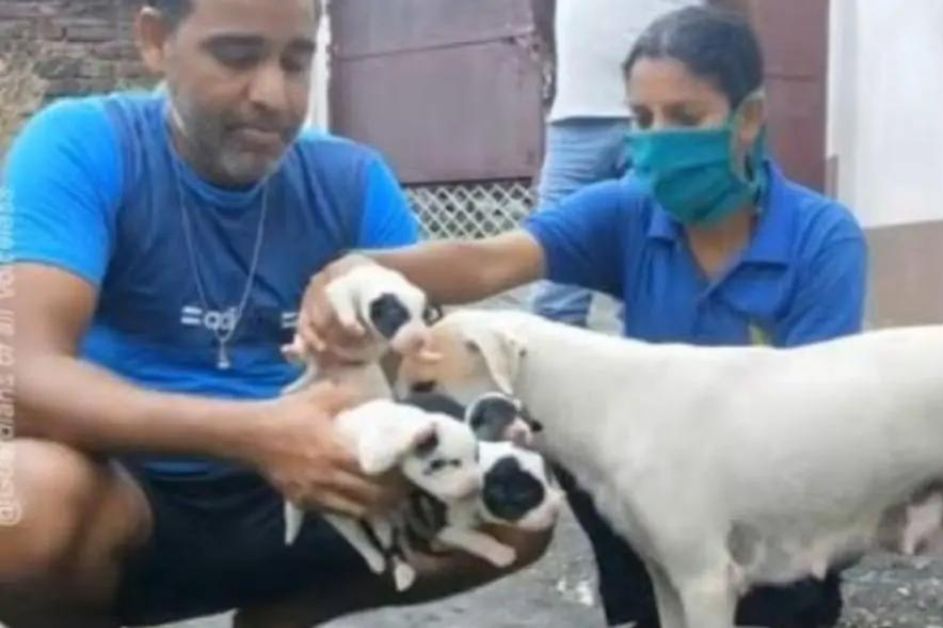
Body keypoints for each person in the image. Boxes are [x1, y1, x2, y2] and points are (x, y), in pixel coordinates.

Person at [298, 7, 868, 627]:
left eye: (685, 117)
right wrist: (353, 268)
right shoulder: (628, 211)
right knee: (585, 446)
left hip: (774, 491)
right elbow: (488, 262)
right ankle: (636, 607)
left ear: (748, 118)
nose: (657, 140)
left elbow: (817, 422)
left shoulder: (820, 239)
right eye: (642, 119)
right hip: (660, 485)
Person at [0, 1, 548, 626]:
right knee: (18, 501)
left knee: (518, 505)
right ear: (155, 41)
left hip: (318, 492)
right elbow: (21, 376)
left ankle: (282, 618)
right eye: (236, 57)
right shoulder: (84, 144)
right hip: (130, 494)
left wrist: (472, 410)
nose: (273, 95)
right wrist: (256, 434)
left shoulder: (351, 178)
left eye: (296, 62)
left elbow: (417, 377)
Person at [527, 0, 753, 332]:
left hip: (674, 119)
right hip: (577, 114)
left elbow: (730, 19)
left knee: (659, 271)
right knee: (553, 279)